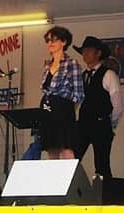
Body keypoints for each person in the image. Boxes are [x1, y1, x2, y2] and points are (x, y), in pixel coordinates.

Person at [73, 36, 124, 178]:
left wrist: (109, 123)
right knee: (72, 159)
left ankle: (106, 198)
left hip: (101, 124)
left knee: (101, 165)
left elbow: (118, 104)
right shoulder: (83, 76)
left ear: (98, 53)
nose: (85, 54)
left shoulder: (108, 74)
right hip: (83, 124)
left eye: (89, 50)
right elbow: (77, 100)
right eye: (83, 51)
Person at [39, 26, 85, 159]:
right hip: (48, 110)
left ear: (64, 42)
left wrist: (68, 109)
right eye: (47, 40)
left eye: (54, 40)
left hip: (63, 110)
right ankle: (54, 179)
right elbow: (45, 88)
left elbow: (79, 94)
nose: (50, 43)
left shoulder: (72, 64)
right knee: (51, 149)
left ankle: (70, 178)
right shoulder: (48, 65)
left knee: (67, 150)